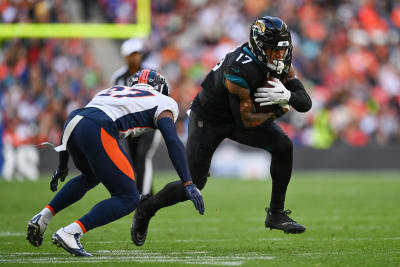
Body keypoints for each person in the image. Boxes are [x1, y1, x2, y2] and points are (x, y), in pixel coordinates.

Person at [130, 16, 312, 246]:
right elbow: (245, 121)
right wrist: (278, 111)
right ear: (258, 46)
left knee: (284, 146)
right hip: (209, 119)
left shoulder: (281, 62)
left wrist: (288, 96)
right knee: (194, 183)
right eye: (273, 50)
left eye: (282, 50)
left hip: (239, 116)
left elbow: (305, 103)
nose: (279, 56)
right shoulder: (240, 65)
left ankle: (275, 213)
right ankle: (147, 208)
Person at [26, 69, 204, 257]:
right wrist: (187, 181)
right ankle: (71, 232)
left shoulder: (112, 90)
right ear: (160, 88)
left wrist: (62, 166)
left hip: (73, 122)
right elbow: (172, 139)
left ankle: (43, 217)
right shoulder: (164, 102)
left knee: (90, 176)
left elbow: (81, 117)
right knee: (128, 198)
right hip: (99, 127)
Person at [110, 38, 160, 196]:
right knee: (133, 160)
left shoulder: (152, 74)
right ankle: (146, 193)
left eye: (137, 53)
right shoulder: (118, 77)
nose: (135, 57)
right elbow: (113, 101)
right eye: (132, 54)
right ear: (125, 56)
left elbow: (164, 95)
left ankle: (143, 197)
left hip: (150, 124)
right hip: (130, 126)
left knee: (143, 156)